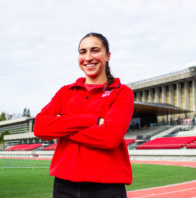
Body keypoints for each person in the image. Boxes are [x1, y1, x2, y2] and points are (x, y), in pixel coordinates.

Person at [34, 32, 134, 198]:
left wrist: (62, 126)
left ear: (107, 56)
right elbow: (40, 127)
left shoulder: (122, 92)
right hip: (63, 186)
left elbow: (110, 137)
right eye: (83, 52)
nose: (88, 57)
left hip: (107, 188)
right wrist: (91, 120)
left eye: (95, 51)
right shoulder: (65, 92)